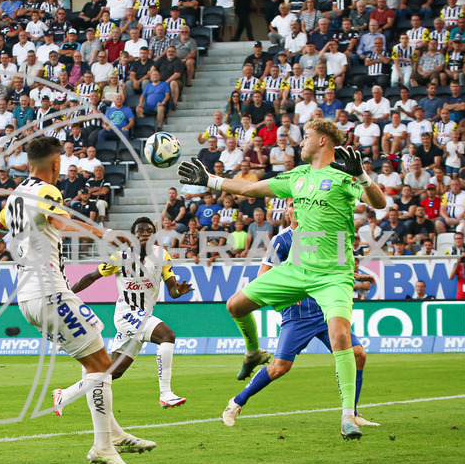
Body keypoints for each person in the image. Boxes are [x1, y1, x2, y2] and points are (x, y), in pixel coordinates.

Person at [178, 118, 387, 440]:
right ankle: (252, 352)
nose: (299, 142)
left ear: (321, 141)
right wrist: (209, 180)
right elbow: (248, 189)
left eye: (306, 136)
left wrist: (361, 174)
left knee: (341, 336)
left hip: (332, 276)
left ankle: (348, 417)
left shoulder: (344, 176)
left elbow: (379, 202)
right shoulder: (298, 176)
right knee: (235, 305)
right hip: (296, 270)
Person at [0, 136, 144, 464]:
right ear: (57, 163)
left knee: (95, 361)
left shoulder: (16, 196)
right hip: (49, 293)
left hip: (29, 297)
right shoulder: (47, 192)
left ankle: (113, 435)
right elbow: (61, 222)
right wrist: (104, 233)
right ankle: (103, 446)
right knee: (101, 365)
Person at [222, 207, 378, 428]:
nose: (299, 211)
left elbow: (328, 268)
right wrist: (289, 291)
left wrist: (355, 275)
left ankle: (352, 413)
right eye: (294, 208)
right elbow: (262, 277)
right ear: (288, 214)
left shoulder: (319, 236)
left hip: (325, 311)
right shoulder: (281, 240)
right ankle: (236, 402)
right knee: (279, 367)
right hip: (297, 316)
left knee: (358, 354)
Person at [56, 216, 193, 415]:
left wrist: (179, 290)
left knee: (112, 372)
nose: (145, 234)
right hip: (126, 314)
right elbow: (92, 277)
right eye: (140, 231)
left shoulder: (162, 256)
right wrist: (68, 294)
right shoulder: (121, 257)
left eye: (148, 231)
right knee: (167, 336)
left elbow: (172, 290)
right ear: (133, 236)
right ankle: (165, 393)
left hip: (142, 315)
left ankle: (64, 395)